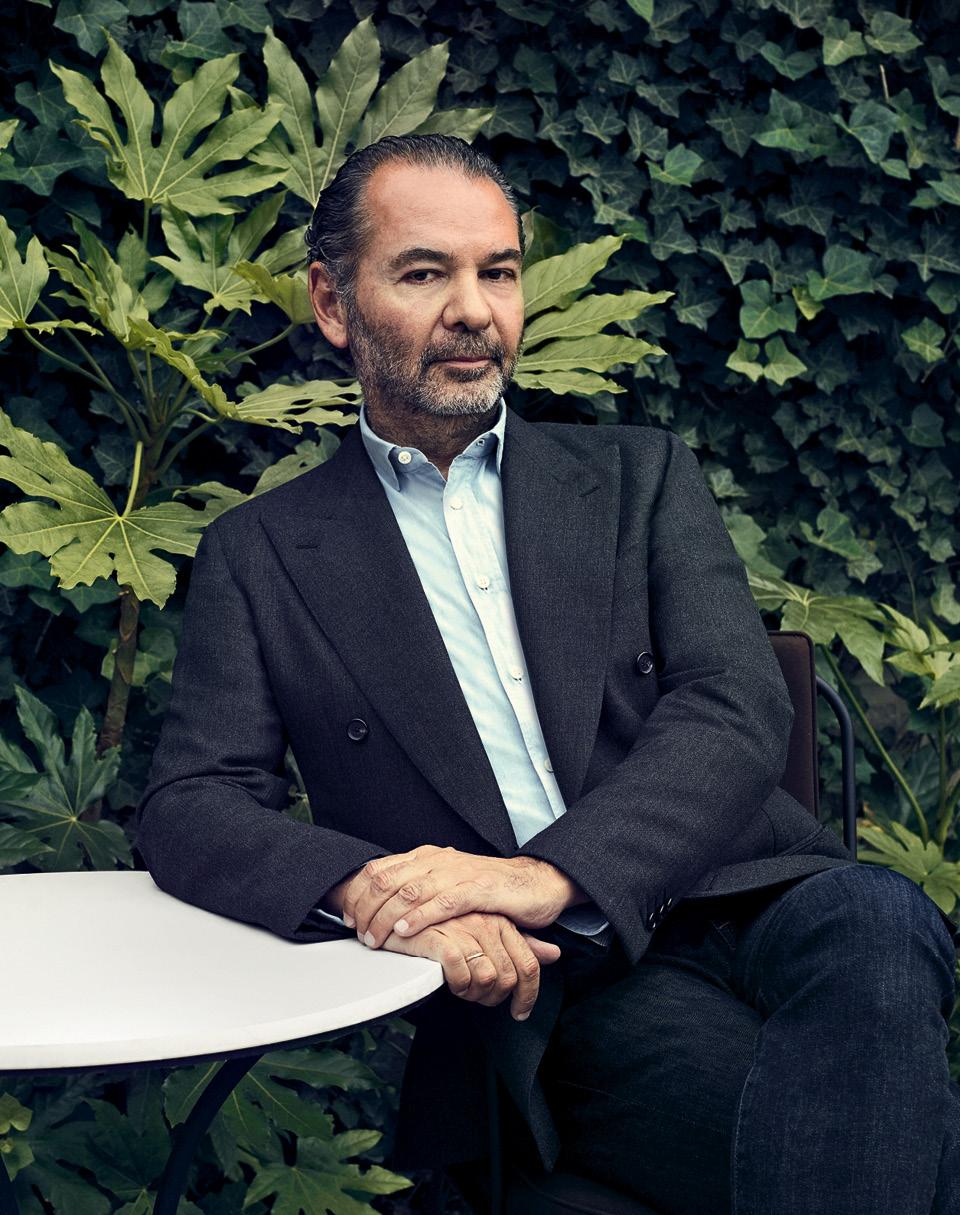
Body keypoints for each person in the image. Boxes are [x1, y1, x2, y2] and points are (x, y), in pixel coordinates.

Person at [135, 134, 959, 1213]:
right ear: (333, 305)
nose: (474, 310)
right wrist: (372, 890)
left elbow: (735, 703)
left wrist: (553, 868)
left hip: (739, 887)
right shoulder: (265, 553)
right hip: (547, 980)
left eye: (500, 271)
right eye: (425, 273)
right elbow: (192, 802)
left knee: (881, 914)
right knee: (889, 1148)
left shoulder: (637, 474)